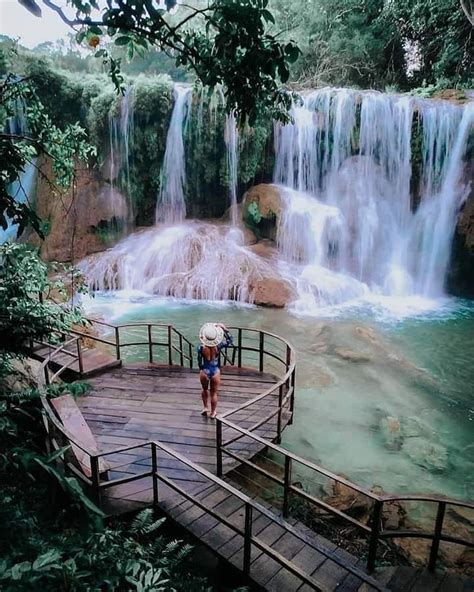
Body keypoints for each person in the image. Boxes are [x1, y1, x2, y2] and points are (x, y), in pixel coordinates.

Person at [197, 322, 233, 419]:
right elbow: (230, 341)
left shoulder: (200, 347)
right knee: (214, 393)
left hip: (205, 371)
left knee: (204, 389)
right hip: (215, 371)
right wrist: (225, 329)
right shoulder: (219, 346)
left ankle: (205, 408)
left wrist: (201, 369)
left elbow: (199, 362)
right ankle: (213, 413)